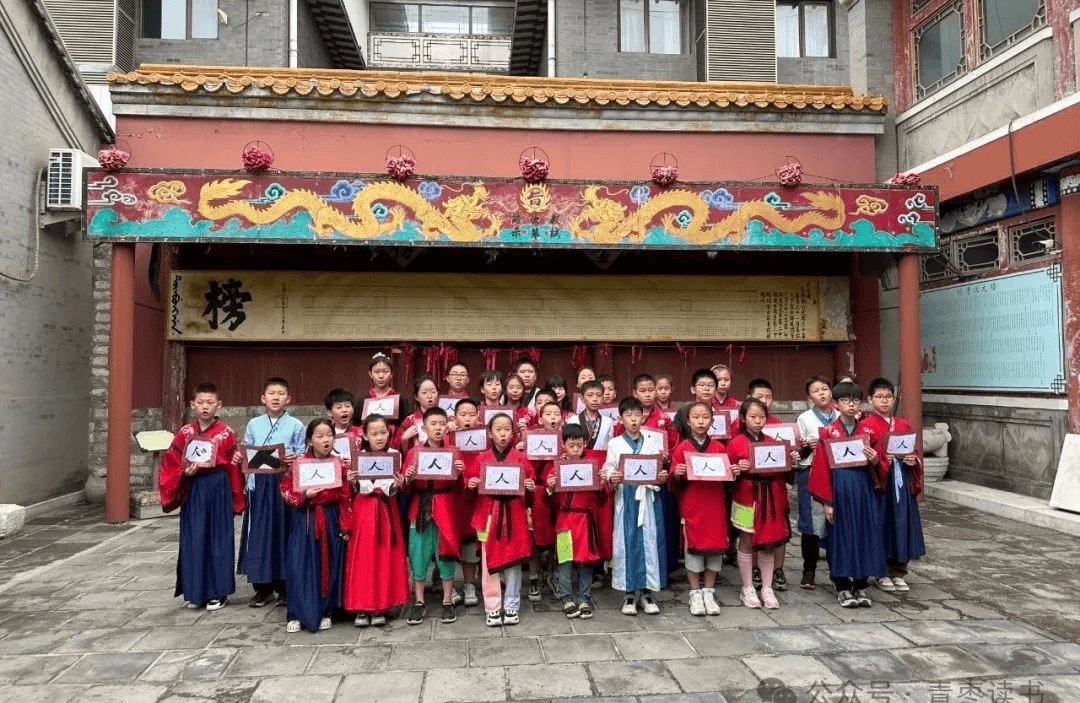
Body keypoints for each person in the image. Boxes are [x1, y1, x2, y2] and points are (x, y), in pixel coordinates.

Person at [159, 383, 244, 611]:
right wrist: (183, 473)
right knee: (194, 538)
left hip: (218, 487)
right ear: (192, 404)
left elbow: (234, 468)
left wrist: (237, 499)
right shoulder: (185, 433)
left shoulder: (227, 433)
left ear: (219, 405)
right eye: (201, 402)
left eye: (210, 402)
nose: (205, 406)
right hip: (194, 488)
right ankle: (195, 591)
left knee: (219, 539)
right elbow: (171, 462)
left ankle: (219, 592)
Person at [808, 380, 886, 608]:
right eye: (845, 400)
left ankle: (861, 584)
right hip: (839, 489)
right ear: (836, 404)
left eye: (855, 401)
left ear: (861, 404)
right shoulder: (829, 432)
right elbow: (821, 469)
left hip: (864, 489)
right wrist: (827, 501)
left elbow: (882, 463)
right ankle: (842, 584)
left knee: (865, 533)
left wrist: (874, 460)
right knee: (840, 536)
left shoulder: (869, 432)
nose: (851, 405)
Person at [237, 377, 306, 608]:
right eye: (271, 393)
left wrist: (295, 457)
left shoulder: (296, 425)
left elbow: (301, 453)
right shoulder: (253, 425)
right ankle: (262, 587)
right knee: (260, 534)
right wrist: (240, 457)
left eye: (281, 393)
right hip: (260, 484)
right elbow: (248, 451)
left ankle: (285, 585)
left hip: (284, 482)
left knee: (283, 531)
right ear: (262, 399)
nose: (276, 397)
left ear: (288, 399)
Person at [280, 418, 352, 633]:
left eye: (329, 435)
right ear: (310, 440)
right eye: (319, 436)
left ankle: (325, 610)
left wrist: (346, 525)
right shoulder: (298, 465)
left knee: (328, 563)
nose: (325, 440)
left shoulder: (340, 464)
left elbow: (346, 496)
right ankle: (295, 612)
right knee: (299, 564)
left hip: (330, 518)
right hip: (305, 518)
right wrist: (304, 495)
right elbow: (285, 491)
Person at [467, 414, 536, 626]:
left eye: (507, 429)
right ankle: (492, 606)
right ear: (490, 433)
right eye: (498, 429)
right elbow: (470, 486)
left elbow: (530, 485)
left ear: (513, 433)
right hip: (488, 513)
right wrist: (471, 484)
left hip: (514, 513)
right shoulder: (482, 458)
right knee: (489, 562)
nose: (503, 433)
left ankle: (512, 605)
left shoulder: (520, 458)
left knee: (514, 561)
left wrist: (530, 487)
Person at [860, 378, 926, 594]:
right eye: (879, 397)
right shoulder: (866, 425)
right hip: (881, 484)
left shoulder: (903, 424)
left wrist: (912, 460)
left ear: (894, 398)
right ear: (870, 399)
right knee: (882, 525)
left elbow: (914, 452)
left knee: (903, 524)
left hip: (901, 483)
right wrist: (880, 459)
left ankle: (898, 571)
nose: (884, 401)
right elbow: (863, 456)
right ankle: (880, 572)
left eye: (888, 396)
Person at [670, 401, 736, 616]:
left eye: (705, 417)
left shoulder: (719, 448)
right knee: (693, 550)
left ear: (712, 422)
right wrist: (678, 472)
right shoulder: (682, 447)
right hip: (693, 505)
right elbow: (673, 479)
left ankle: (709, 590)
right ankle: (695, 593)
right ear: (688, 421)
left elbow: (728, 481)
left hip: (714, 505)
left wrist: (732, 471)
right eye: (696, 417)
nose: (700, 421)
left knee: (714, 551)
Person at [343, 414, 409, 627]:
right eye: (374, 433)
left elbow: (395, 486)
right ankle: (362, 605)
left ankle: (381, 604)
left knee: (384, 555)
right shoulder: (358, 456)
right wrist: (352, 482)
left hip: (386, 507)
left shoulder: (394, 454)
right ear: (364, 435)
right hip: (365, 508)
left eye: (383, 433)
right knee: (363, 557)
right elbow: (354, 489)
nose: (379, 437)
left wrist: (398, 485)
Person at [605, 397, 669, 615]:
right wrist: (612, 475)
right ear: (621, 418)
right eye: (628, 415)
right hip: (626, 498)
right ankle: (629, 592)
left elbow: (658, 468)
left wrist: (661, 476)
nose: (633, 420)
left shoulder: (652, 441)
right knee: (627, 542)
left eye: (637, 415)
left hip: (648, 499)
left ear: (643, 416)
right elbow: (608, 468)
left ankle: (648, 591)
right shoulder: (614, 443)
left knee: (650, 543)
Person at [401, 407, 464, 625]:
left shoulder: (454, 452)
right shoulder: (413, 453)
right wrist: (407, 479)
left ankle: (448, 600)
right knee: (418, 552)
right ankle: (419, 601)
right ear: (424, 427)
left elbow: (460, 489)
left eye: (441, 424)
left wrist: (460, 473)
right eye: (433, 424)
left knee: (445, 552)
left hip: (445, 507)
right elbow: (405, 490)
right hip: (420, 507)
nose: (438, 428)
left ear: (447, 427)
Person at [727, 398, 790, 609]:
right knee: (746, 540)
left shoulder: (772, 441)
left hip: (770, 497)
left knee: (768, 543)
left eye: (762, 417)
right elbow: (727, 474)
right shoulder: (735, 443)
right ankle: (747, 587)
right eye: (753, 417)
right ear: (743, 419)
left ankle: (767, 587)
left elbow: (784, 471)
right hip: (745, 496)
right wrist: (736, 468)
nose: (758, 421)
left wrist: (791, 459)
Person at [542, 423, 603, 619]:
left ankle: (584, 598)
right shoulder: (556, 467)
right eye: (571, 445)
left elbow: (602, 500)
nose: (576, 449)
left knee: (586, 562)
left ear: (585, 443)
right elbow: (547, 502)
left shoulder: (592, 465)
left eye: (579, 445)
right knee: (565, 561)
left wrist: (602, 485)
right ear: (563, 445)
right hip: (565, 521)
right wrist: (550, 488)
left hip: (586, 522)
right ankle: (567, 598)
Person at [566, 379, 616, 563]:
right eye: (590, 395)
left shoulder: (609, 422)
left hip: (599, 470)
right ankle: (567, 567)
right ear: (582, 398)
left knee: (600, 519)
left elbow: (610, 450)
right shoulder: (572, 420)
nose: (594, 399)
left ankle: (597, 561)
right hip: (576, 473)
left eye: (598, 395)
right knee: (568, 528)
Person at [794, 376, 837, 590]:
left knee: (836, 520)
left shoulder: (841, 415)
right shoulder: (804, 418)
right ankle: (808, 569)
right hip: (811, 472)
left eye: (825, 388)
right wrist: (808, 446)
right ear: (808, 396)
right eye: (816, 390)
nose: (821, 393)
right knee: (810, 522)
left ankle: (836, 566)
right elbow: (797, 452)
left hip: (837, 473)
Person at [451, 398, 484, 607]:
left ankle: (471, 584)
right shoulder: (448, 440)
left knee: (475, 542)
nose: (468, 419)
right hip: (455, 500)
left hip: (479, 501)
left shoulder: (485, 440)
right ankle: (452, 585)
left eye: (472, 414)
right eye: (463, 414)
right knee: (455, 541)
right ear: (454, 418)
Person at [365, 353, 412, 440]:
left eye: (385, 371)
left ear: (391, 374)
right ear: (370, 374)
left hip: (394, 443)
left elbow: (410, 421)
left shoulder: (400, 399)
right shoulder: (363, 400)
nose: (381, 376)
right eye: (376, 372)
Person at [394, 375, 440, 453]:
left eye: (433, 392)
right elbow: (397, 447)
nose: (429, 396)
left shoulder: (444, 418)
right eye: (424, 392)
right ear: (416, 397)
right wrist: (404, 438)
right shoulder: (410, 420)